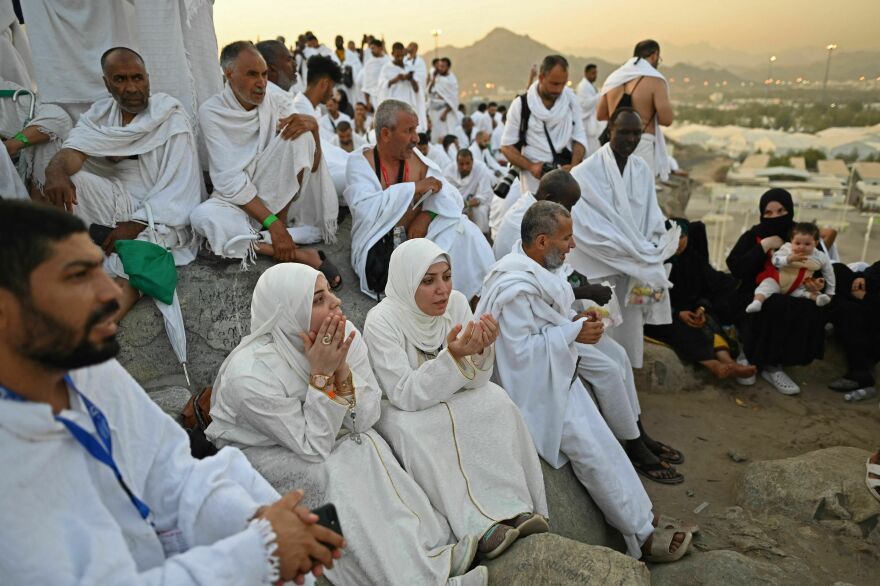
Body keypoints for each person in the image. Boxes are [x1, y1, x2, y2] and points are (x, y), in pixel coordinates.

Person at [0, 199, 345, 585]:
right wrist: (257, 553)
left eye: (101, 270)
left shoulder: (88, 371)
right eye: (78, 276)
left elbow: (174, 474)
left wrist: (262, 525)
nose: (112, 294)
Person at [205, 263, 487, 586]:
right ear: (287, 311)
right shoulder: (250, 375)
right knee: (335, 471)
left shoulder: (342, 335)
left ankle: (430, 551)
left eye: (330, 294)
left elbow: (365, 419)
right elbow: (312, 445)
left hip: (316, 434)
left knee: (365, 444)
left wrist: (341, 375)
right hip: (261, 453)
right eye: (318, 299)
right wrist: (322, 376)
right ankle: (409, 578)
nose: (336, 304)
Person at [476, 201, 693, 562]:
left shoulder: (538, 267)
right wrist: (573, 332)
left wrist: (577, 318)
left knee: (607, 444)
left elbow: (547, 321)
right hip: (534, 391)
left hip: (557, 376)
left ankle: (645, 514)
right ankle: (641, 538)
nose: (572, 245)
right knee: (593, 456)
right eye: (567, 238)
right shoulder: (513, 286)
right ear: (542, 241)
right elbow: (519, 355)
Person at [363, 239, 549, 561]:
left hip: (451, 394)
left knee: (496, 403)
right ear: (407, 280)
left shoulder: (458, 304)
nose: (443, 290)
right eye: (428, 281)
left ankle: (515, 507)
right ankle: (477, 526)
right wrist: (452, 357)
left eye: (446, 277)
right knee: (424, 430)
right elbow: (403, 392)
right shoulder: (383, 320)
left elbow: (477, 382)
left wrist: (479, 351)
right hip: (403, 408)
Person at [43, 47, 202, 322]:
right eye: (120, 80)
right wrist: (55, 171)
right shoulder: (101, 114)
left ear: (148, 78)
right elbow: (73, 152)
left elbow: (181, 185)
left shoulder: (169, 116)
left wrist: (136, 224)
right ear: (106, 83)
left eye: (137, 78)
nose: (131, 88)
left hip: (159, 212)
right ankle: (78, 261)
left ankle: (102, 324)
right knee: (69, 181)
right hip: (119, 199)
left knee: (143, 252)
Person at [189, 42, 341, 288]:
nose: (261, 82)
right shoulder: (212, 111)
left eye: (264, 74)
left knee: (300, 133)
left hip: (272, 198)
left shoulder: (276, 102)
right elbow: (228, 182)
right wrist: (276, 227)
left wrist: (313, 129)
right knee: (203, 217)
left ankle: (267, 238)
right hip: (236, 201)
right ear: (229, 74)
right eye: (252, 74)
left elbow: (310, 164)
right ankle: (294, 251)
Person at [343, 99, 494, 300]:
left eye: (416, 130)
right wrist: (414, 188)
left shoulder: (417, 161)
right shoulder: (361, 163)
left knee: (466, 231)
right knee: (430, 267)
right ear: (386, 134)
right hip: (380, 246)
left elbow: (451, 198)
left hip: (422, 237)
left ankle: (480, 299)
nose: (416, 138)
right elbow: (365, 209)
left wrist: (427, 214)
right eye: (409, 131)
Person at [567, 108, 680, 368]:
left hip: (631, 265)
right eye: (624, 132)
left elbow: (652, 216)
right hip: (598, 266)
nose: (631, 139)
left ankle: (625, 379)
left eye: (637, 133)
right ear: (610, 131)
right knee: (598, 337)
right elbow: (584, 227)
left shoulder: (641, 170)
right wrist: (631, 252)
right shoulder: (584, 173)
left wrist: (652, 246)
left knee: (627, 333)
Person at [726, 188, 827, 395]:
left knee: (807, 306)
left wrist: (816, 284)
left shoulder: (802, 236)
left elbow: (821, 265)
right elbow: (736, 267)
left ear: (790, 210)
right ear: (761, 214)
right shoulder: (753, 236)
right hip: (754, 292)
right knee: (772, 304)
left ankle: (773, 365)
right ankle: (750, 355)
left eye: (781, 211)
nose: (775, 217)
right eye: (768, 213)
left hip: (794, 291)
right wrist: (764, 245)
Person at [643, 220, 758, 380]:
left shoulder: (693, 260)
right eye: (671, 237)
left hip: (689, 309)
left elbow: (703, 291)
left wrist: (700, 308)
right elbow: (647, 297)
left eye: (682, 236)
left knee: (708, 322)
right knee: (681, 330)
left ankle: (729, 362)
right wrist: (677, 312)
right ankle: (715, 366)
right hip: (659, 315)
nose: (677, 242)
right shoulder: (654, 263)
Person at [500, 55, 586, 195]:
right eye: (554, 84)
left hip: (566, 179)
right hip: (533, 182)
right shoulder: (521, 105)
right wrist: (532, 166)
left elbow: (579, 137)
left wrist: (574, 167)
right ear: (541, 78)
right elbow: (506, 147)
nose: (559, 89)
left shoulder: (571, 101)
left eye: (563, 84)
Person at [598, 40, 673, 180]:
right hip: (642, 143)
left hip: (614, 144)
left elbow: (601, 115)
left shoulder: (614, 78)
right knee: (640, 195)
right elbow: (666, 120)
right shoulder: (655, 81)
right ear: (655, 55)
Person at [1, 78, 72, 199]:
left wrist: (11, 145)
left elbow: (58, 118)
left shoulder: (6, 94)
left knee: (48, 141)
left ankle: (41, 212)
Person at [746, 222, 835, 313]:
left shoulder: (820, 257)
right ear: (791, 241)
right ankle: (757, 302)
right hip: (779, 282)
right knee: (766, 284)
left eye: (807, 244)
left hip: (800, 287)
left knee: (809, 293)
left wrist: (830, 292)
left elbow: (829, 274)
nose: (801, 247)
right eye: (797, 243)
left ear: (816, 243)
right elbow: (775, 261)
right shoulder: (787, 249)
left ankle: (819, 299)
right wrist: (788, 259)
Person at [827, 259, 880, 401]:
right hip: (865, 296)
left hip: (874, 310)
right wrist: (862, 277)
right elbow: (874, 270)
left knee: (846, 310)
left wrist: (867, 298)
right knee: (837, 270)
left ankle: (860, 372)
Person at [443, 150, 494, 236]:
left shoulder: (481, 168)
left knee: (480, 211)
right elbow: (446, 195)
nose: (465, 167)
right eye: (461, 164)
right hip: (455, 205)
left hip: (474, 204)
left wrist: (468, 204)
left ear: (472, 162)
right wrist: (461, 205)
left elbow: (485, 194)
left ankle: (481, 236)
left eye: (468, 163)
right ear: (457, 163)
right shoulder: (448, 172)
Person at [378, 43, 419, 114]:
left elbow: (417, 89)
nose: (400, 57)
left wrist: (411, 79)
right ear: (392, 54)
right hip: (394, 107)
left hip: (408, 105)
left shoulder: (410, 67)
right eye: (397, 55)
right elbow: (382, 85)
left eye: (402, 55)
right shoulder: (387, 68)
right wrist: (397, 78)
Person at [427, 57, 459, 143]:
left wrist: (445, 113)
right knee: (436, 137)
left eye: (443, 66)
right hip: (434, 111)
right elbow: (429, 92)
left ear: (448, 67)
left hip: (446, 112)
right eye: (439, 66)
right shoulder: (437, 77)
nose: (440, 68)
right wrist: (432, 81)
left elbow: (453, 99)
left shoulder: (452, 80)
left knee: (446, 137)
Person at [576, 64, 606, 155]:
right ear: (586, 73)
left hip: (592, 122)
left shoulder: (590, 86)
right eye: (593, 73)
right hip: (586, 123)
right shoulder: (583, 86)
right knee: (588, 150)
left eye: (596, 73)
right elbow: (584, 104)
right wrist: (600, 95)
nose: (595, 76)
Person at [361, 38, 389, 112]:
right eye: (371, 49)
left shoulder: (389, 61)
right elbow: (366, 86)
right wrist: (367, 102)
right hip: (375, 98)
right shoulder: (369, 64)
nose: (371, 51)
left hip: (388, 95)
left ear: (380, 48)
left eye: (373, 48)